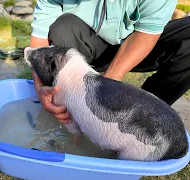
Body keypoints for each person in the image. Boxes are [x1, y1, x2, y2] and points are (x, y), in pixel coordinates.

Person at [29, 0, 190, 124]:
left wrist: (112, 79)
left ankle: (142, 118)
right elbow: (40, 41)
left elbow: (147, 31)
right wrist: (41, 87)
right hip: (84, 42)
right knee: (62, 28)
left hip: (136, 42)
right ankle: (68, 109)